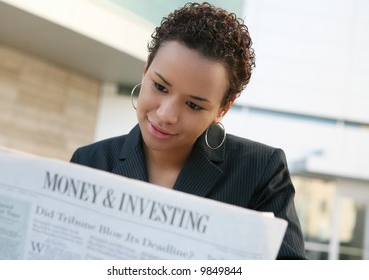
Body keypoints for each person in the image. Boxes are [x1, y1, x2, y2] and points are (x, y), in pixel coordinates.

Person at [70, 2, 306, 259]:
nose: (165, 115)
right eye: (160, 87)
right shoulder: (89, 163)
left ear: (222, 109)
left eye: (193, 104)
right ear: (146, 69)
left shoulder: (260, 172)